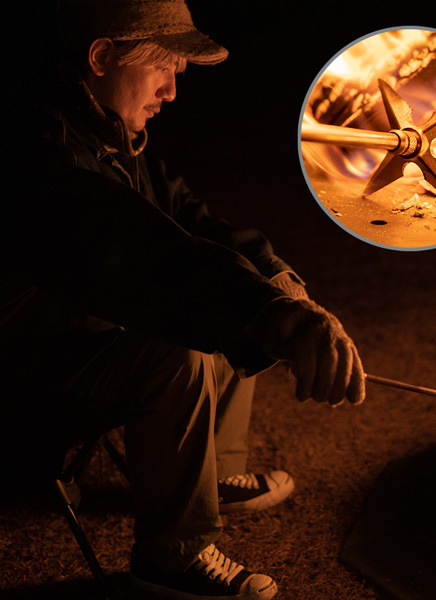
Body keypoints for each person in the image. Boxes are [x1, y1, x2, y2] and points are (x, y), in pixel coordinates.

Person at [0, 1, 365, 598]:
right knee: (189, 341)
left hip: (71, 337)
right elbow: (142, 250)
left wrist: (282, 291)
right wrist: (267, 314)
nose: (172, 91)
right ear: (101, 56)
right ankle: (171, 557)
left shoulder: (110, 134)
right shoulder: (39, 154)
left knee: (239, 283)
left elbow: (197, 226)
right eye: (162, 67)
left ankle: (208, 474)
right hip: (22, 371)